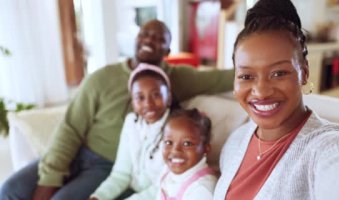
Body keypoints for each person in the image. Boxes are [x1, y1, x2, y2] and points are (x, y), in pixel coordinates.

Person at [0, 20, 233, 200]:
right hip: (80, 151)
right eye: (144, 33)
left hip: (108, 166)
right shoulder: (103, 78)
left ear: (167, 50)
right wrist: (50, 177)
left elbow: (222, 78)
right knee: (10, 190)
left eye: (158, 37)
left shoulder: (178, 78)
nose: (149, 39)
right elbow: (70, 128)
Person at [213, 0, 339, 199]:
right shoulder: (235, 142)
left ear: (304, 73)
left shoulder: (327, 147)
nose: (261, 92)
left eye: (278, 73)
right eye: (246, 76)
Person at [89, 63, 172, 200]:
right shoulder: (131, 122)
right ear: (132, 102)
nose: (148, 104)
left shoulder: (175, 129)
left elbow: (165, 186)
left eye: (156, 95)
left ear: (168, 97)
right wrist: (98, 197)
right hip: (132, 193)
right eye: (140, 97)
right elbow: (121, 174)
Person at [157, 108, 217, 200]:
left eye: (187, 144)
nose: (175, 150)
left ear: (206, 148)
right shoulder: (167, 170)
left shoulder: (202, 189)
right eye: (169, 142)